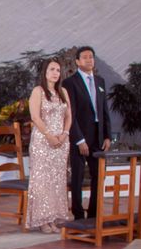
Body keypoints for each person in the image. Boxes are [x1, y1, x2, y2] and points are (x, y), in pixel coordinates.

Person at [62, 46, 112, 221]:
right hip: (80, 137)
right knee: (77, 176)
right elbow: (71, 114)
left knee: (98, 175)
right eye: (85, 57)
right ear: (77, 61)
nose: (89, 60)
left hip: (98, 136)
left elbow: (104, 110)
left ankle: (93, 214)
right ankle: (78, 214)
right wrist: (79, 139)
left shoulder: (100, 81)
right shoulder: (69, 83)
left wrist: (107, 135)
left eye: (91, 57)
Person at [25, 57, 72, 233]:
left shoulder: (63, 92)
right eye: (52, 69)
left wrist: (64, 134)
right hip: (43, 142)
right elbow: (35, 117)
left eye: (58, 70)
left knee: (57, 181)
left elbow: (69, 116)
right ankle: (42, 219)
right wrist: (49, 135)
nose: (55, 73)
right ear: (45, 72)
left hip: (61, 142)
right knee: (42, 180)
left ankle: (54, 217)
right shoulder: (38, 91)